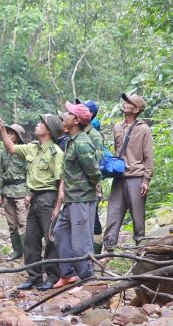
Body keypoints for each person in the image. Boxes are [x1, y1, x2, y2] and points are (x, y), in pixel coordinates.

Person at [0, 113, 64, 291]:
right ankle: (34, 277)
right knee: (31, 240)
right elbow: (11, 148)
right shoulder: (32, 148)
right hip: (34, 198)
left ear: (48, 131)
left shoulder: (56, 152)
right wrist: (2, 129)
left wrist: (58, 206)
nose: (37, 125)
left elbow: (60, 182)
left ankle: (52, 277)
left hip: (49, 197)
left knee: (50, 241)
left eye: (41, 124)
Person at [52, 102, 101, 288]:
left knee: (81, 243)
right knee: (59, 232)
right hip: (71, 199)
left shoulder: (82, 143)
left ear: (76, 120)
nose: (64, 115)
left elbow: (94, 171)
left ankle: (88, 278)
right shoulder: (71, 140)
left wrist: (92, 188)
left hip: (82, 199)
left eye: (68, 113)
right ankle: (67, 274)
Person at [103, 93, 154, 250]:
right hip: (119, 177)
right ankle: (109, 250)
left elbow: (149, 156)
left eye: (129, 102)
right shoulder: (117, 127)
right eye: (125, 100)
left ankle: (140, 250)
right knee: (113, 214)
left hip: (136, 178)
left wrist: (146, 180)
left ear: (136, 109)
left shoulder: (144, 129)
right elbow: (117, 150)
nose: (124, 103)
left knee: (138, 217)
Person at [0, 122, 28, 261]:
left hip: (21, 192)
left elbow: (30, 173)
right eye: (6, 132)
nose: (8, 135)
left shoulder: (23, 152)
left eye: (11, 133)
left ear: (18, 137)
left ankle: (28, 253)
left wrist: (29, 194)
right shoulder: (3, 153)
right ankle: (17, 251)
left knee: (23, 223)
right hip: (7, 192)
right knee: (12, 224)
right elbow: (1, 173)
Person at [76, 98, 104, 255]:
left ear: (90, 114)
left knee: (93, 220)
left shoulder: (94, 136)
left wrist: (95, 187)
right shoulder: (78, 133)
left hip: (91, 185)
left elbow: (97, 163)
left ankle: (96, 254)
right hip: (78, 186)